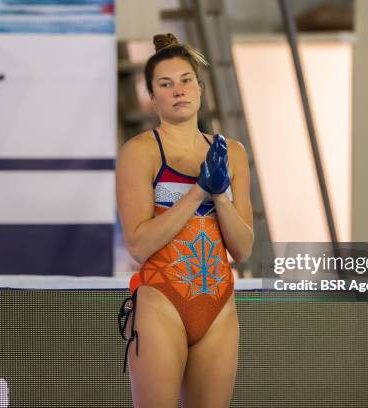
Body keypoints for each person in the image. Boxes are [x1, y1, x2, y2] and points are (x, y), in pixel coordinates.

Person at [116, 33, 254, 408]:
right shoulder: (140, 152)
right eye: (165, 84)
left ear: (201, 88)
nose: (178, 90)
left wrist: (220, 195)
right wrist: (198, 191)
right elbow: (139, 244)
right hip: (162, 301)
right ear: (152, 96)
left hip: (218, 306)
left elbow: (242, 249)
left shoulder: (232, 153)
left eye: (185, 80)